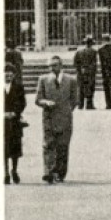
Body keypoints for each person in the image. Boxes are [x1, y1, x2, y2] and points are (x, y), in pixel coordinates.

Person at [34, 55, 79, 183]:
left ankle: (60, 172)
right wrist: (46, 102)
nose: (51, 68)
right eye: (50, 65)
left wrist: (67, 110)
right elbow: (37, 99)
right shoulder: (43, 79)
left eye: (54, 65)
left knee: (62, 146)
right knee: (48, 145)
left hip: (65, 118)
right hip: (49, 117)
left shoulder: (71, 80)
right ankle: (48, 172)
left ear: (61, 66)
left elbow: (75, 100)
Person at [4, 64, 26, 184]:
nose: (8, 75)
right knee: (3, 147)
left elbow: (22, 102)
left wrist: (15, 112)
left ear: (14, 74)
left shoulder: (19, 87)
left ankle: (14, 170)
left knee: (15, 147)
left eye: (11, 73)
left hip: (14, 121)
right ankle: (6, 172)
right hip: (2, 121)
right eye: (6, 72)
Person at [73, 37, 99, 111]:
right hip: (90, 73)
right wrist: (91, 71)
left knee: (80, 88)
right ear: (91, 43)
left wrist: (80, 70)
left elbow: (75, 63)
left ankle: (80, 105)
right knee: (90, 88)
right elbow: (94, 63)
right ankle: (89, 104)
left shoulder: (78, 51)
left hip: (80, 73)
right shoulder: (93, 51)